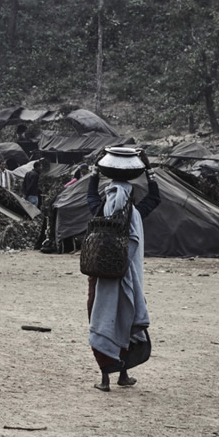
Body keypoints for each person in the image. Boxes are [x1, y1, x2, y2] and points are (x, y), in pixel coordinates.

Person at [86, 150, 161, 392]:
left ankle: (106, 379)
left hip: (101, 277)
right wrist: (149, 171)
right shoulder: (136, 214)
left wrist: (96, 172)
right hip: (129, 277)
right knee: (125, 317)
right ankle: (123, 375)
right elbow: (155, 198)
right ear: (130, 194)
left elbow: (90, 196)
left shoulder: (101, 210)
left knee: (103, 319)